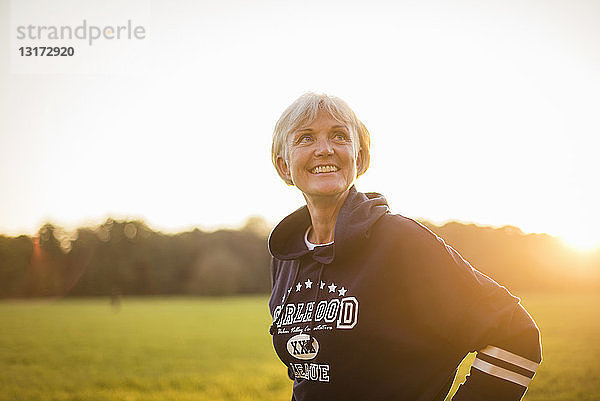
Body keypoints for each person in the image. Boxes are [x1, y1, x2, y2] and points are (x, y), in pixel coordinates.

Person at [267, 92, 542, 401]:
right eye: (305, 138)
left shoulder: (401, 241)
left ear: (360, 158)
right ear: (284, 166)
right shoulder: (288, 256)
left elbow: (515, 333)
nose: (325, 149)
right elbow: (309, 375)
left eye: (339, 136)